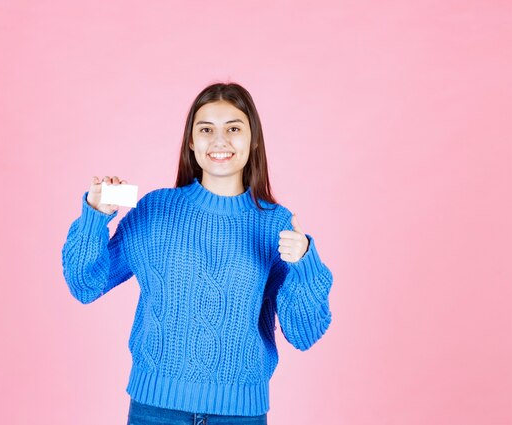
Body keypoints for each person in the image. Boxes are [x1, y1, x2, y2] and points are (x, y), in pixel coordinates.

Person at [61, 82, 334, 425]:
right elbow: (85, 284)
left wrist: (305, 264)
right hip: (154, 410)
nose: (219, 140)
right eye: (206, 129)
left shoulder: (275, 224)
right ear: (192, 141)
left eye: (233, 128)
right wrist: (94, 217)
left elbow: (304, 333)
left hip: (240, 415)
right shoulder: (155, 210)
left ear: (254, 139)